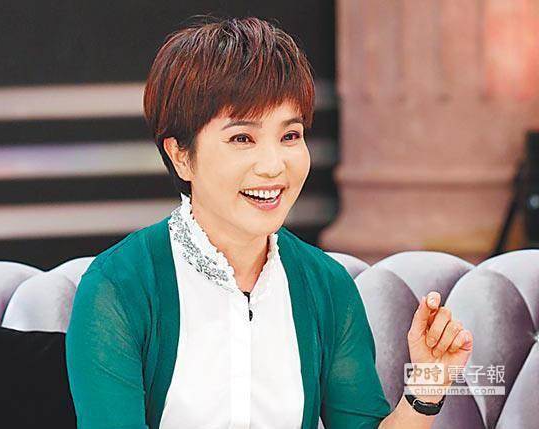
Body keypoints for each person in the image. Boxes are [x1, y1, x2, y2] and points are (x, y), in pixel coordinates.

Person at [65, 16, 474, 429]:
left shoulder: (326, 286)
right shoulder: (120, 287)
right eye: (242, 138)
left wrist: (426, 388)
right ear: (181, 156)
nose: (273, 166)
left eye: (290, 135)